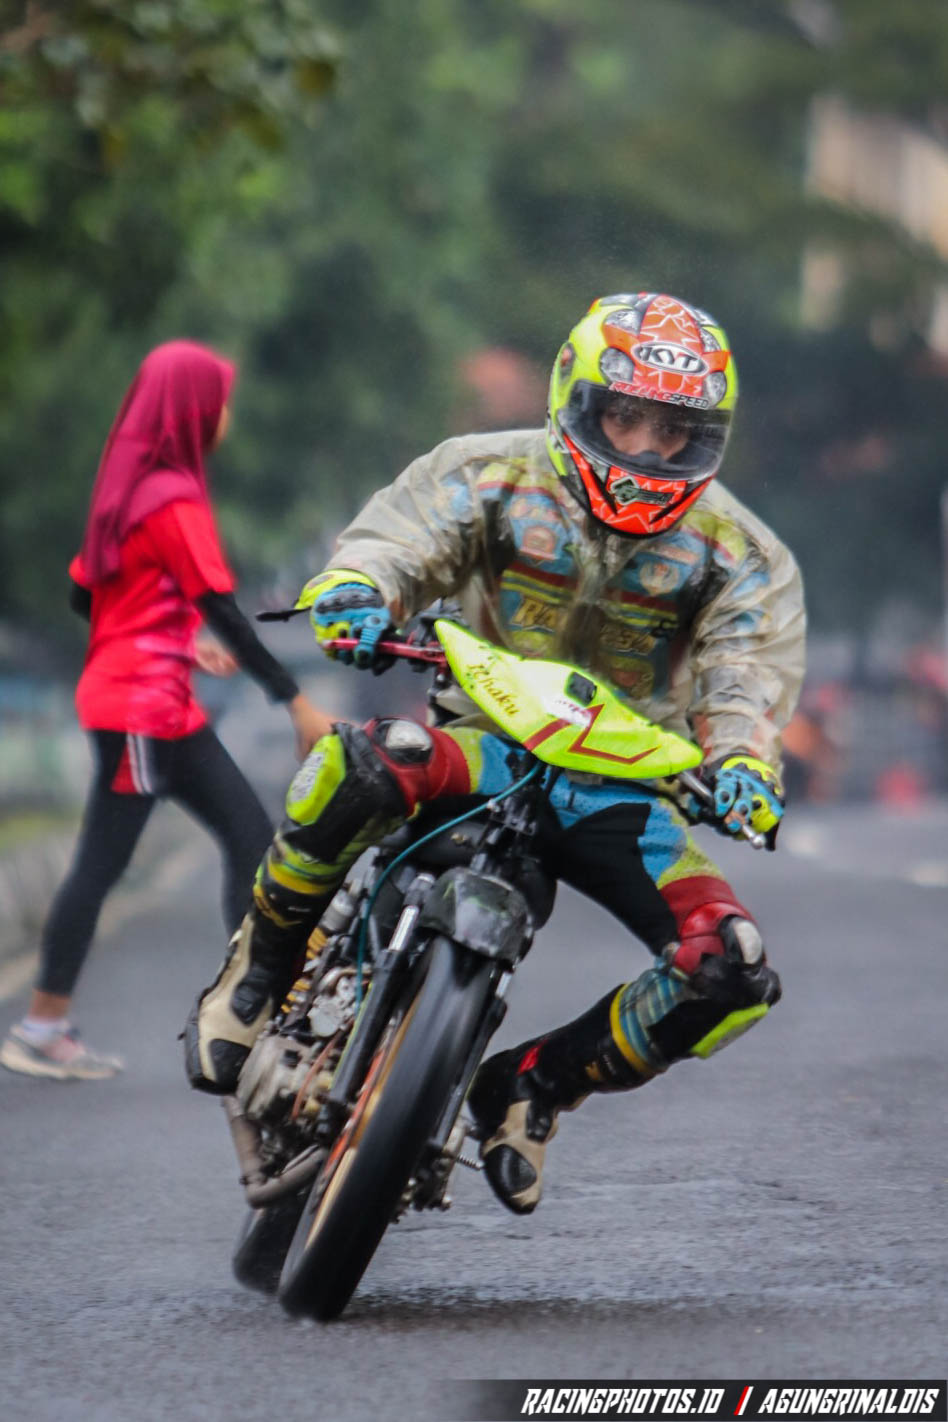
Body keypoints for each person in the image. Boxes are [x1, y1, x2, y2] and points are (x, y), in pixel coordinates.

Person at [185, 292, 805, 1214]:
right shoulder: (486, 473)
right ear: (577, 395)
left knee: (735, 968)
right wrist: (358, 591)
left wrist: (745, 763)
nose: (646, 449)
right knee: (363, 761)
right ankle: (255, 976)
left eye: (673, 429)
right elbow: (401, 542)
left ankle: (533, 1087)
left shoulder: (740, 553)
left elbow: (746, 672)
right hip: (478, 745)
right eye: (626, 417)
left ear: (706, 436)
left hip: (621, 794)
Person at [1, 341, 330, 1082]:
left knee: (250, 837)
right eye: (220, 400)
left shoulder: (126, 489)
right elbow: (228, 614)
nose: (227, 414)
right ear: (191, 411)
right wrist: (296, 701)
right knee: (103, 862)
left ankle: (257, 1012)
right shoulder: (175, 502)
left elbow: (86, 594)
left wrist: (173, 643)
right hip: (142, 711)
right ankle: (42, 1025)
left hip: (153, 701)